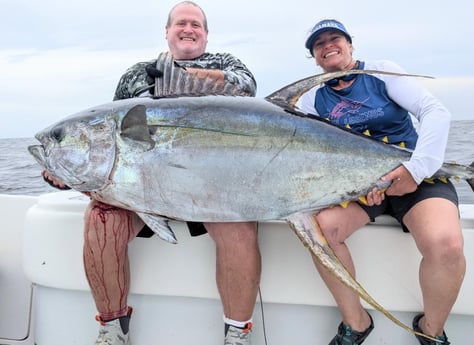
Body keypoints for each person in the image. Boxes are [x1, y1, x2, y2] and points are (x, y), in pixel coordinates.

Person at [44, 2, 260, 345]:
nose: (188, 29)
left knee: (240, 228)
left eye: (196, 24)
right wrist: (65, 169)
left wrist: (203, 79)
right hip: (142, 191)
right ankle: (112, 328)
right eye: (180, 23)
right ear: (167, 31)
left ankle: (238, 332)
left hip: (208, 186)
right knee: (100, 220)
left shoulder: (226, 64)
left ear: (206, 34)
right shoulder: (138, 74)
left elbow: (248, 88)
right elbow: (107, 136)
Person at [297, 19, 465, 345]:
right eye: (319, 44)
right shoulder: (310, 99)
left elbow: (434, 111)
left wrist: (416, 170)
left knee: (447, 246)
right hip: (359, 187)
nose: (328, 45)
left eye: (335, 38)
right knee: (319, 233)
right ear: (314, 57)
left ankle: (431, 329)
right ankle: (356, 323)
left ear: (350, 44)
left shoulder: (380, 72)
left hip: (417, 176)